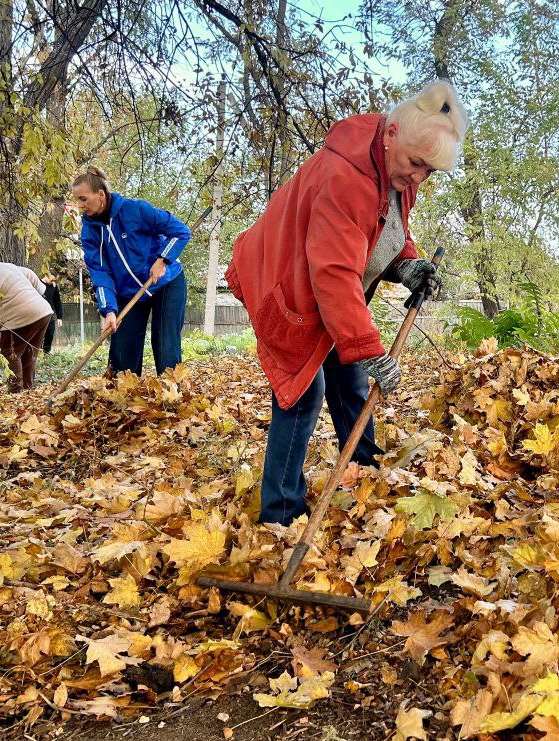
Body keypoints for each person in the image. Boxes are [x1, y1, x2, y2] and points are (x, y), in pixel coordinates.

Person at [226, 80, 468, 526]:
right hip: (284, 285)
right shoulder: (346, 176)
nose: (418, 178)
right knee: (301, 392)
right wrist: (371, 348)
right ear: (391, 134)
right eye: (417, 164)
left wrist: (407, 264)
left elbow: (382, 229)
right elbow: (334, 273)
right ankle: (279, 513)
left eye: (429, 172)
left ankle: (362, 473)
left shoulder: (396, 168)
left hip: (322, 287)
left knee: (349, 376)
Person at [71, 166, 191, 375]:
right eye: (77, 200)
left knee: (165, 344)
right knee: (122, 350)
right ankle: (124, 399)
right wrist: (109, 309)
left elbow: (180, 232)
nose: (80, 206)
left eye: (83, 199)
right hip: (129, 292)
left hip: (165, 283)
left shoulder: (135, 210)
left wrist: (163, 259)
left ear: (100, 195)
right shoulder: (90, 231)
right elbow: (100, 272)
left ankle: (172, 396)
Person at [0, 256, 55, 392]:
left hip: (18, 318)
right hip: (43, 312)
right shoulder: (5, 265)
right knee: (29, 353)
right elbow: (29, 273)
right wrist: (41, 289)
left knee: (9, 353)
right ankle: (28, 390)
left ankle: (15, 391)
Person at [41, 274, 64, 354]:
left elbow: (57, 301)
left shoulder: (54, 287)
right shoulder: (38, 284)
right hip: (38, 314)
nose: (53, 282)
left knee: (50, 333)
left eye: (55, 280)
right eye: (52, 280)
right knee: (39, 334)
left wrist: (59, 317)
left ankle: (46, 351)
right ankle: (38, 351)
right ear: (46, 276)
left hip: (49, 313)